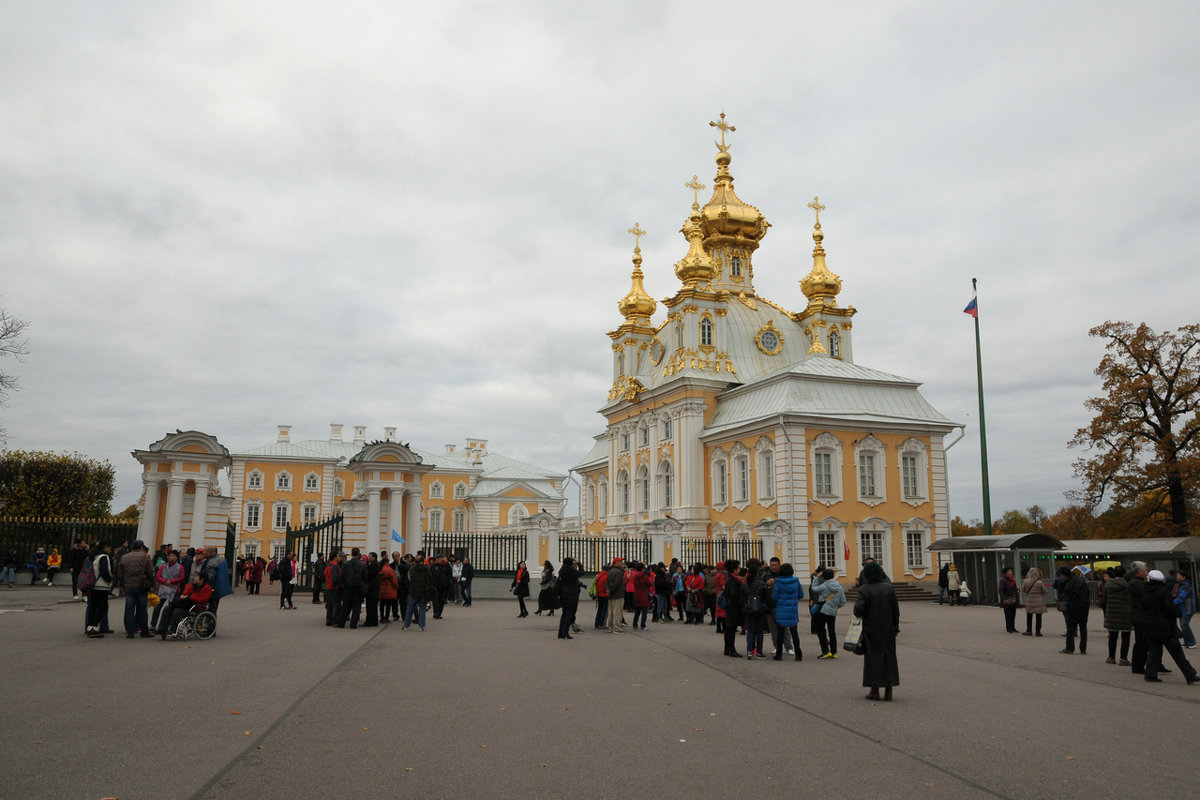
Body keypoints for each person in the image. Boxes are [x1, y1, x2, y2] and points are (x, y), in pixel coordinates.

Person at [854, 561, 900, 701]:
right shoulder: (889, 588)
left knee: (873, 659)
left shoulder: (865, 589)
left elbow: (858, 610)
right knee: (889, 657)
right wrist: (895, 627)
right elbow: (895, 610)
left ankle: (874, 690)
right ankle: (889, 689)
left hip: (871, 628)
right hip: (888, 628)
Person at [1142, 570, 1198, 684]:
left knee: (1154, 650)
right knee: (1177, 652)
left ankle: (1150, 674)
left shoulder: (1144, 590)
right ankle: (1190, 674)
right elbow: (1169, 607)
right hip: (1164, 626)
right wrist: (1177, 613)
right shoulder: (1163, 591)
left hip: (1150, 625)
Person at [157, 571, 214, 639]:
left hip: (195, 607)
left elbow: (202, 599)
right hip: (186, 604)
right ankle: (162, 629)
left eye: (197, 577)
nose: (195, 578)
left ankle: (173, 630)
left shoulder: (207, 588)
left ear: (202, 579)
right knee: (167, 608)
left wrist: (190, 597)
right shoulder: (193, 586)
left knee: (177, 612)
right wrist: (185, 595)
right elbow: (185, 593)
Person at [118, 540, 156, 638]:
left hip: (129, 586)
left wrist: (123, 585)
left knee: (129, 609)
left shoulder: (125, 557)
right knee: (142, 609)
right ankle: (144, 631)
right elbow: (150, 571)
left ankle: (130, 632)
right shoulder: (145, 556)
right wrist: (151, 584)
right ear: (141, 547)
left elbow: (120, 573)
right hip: (141, 586)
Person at [770, 563, 803, 661]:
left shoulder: (779, 582)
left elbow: (774, 597)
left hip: (781, 610)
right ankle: (798, 653)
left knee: (780, 633)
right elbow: (801, 594)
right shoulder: (796, 582)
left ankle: (779, 654)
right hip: (793, 610)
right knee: (794, 633)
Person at [1101, 565, 1132, 665]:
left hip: (1111, 613)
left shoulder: (1108, 584)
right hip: (1124, 613)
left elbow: (1104, 599)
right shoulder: (1127, 585)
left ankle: (1111, 657)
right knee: (1125, 637)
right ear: (1124, 574)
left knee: (1112, 637)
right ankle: (1123, 658)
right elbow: (1130, 599)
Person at [811, 568, 845, 659]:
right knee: (832, 631)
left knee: (821, 630)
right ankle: (834, 652)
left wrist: (816, 578)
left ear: (824, 576)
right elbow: (843, 601)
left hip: (823, 610)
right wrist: (834, 607)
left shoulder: (824, 585)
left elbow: (814, 589)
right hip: (833, 611)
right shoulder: (839, 586)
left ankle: (825, 651)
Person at [85, 541, 115, 637]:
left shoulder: (96, 556)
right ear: (105, 547)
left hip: (94, 585)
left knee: (93, 606)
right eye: (109, 548)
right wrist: (110, 579)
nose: (110, 550)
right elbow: (104, 571)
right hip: (101, 586)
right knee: (102, 607)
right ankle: (94, 626)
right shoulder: (104, 557)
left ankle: (90, 626)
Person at [151, 550, 184, 632]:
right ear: (168, 557)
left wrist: (172, 581)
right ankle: (153, 625)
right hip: (163, 590)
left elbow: (182, 577)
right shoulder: (163, 566)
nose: (172, 558)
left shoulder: (180, 567)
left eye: (174, 556)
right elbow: (158, 576)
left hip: (174, 590)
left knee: (170, 608)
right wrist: (165, 582)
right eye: (170, 556)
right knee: (157, 607)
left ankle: (168, 626)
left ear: (177, 557)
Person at [1060, 567, 1090, 655]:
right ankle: (1083, 649)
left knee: (1070, 628)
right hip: (1084, 606)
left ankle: (1070, 647)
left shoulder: (1069, 585)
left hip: (1073, 608)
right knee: (1083, 628)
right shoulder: (1080, 580)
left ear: (1065, 575)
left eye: (1062, 575)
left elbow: (1071, 599)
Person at [337, 548, 367, 629]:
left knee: (345, 606)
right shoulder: (362, 565)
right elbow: (365, 578)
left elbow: (342, 576)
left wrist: (342, 584)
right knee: (356, 607)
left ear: (351, 554)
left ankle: (341, 623)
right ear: (358, 554)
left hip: (348, 587)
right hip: (358, 588)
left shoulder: (346, 564)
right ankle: (353, 624)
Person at [722, 560, 745, 658]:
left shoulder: (731, 579)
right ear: (734, 569)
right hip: (733, 607)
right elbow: (734, 594)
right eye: (738, 568)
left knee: (729, 628)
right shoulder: (732, 580)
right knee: (731, 628)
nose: (740, 569)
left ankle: (727, 648)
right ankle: (731, 649)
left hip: (731, 606)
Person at [556, 557, 583, 639]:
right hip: (572, 594)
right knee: (569, 614)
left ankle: (560, 632)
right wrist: (578, 563)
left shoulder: (562, 571)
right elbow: (582, 572)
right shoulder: (572, 571)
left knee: (564, 613)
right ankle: (565, 632)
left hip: (563, 594)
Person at [404, 552, 432, 631]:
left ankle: (406, 625)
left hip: (413, 591)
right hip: (423, 591)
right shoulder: (426, 568)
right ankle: (421, 626)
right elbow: (429, 579)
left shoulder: (412, 568)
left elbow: (409, 578)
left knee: (410, 608)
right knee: (422, 608)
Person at [1021, 567, 1047, 636]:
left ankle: (1029, 630)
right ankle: (1038, 631)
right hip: (1039, 602)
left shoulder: (1026, 581)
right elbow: (1045, 591)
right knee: (1039, 617)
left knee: (1029, 616)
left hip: (1030, 601)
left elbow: (1023, 590)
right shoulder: (1039, 582)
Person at [1173, 569, 1196, 649]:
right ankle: (1187, 642)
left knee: (1184, 625)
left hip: (1187, 609)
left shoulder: (1186, 585)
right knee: (1183, 626)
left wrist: (1172, 603)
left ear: (1184, 577)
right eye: (1177, 575)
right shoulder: (1180, 584)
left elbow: (1182, 597)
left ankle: (1192, 642)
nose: (1177, 577)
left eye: (1179, 575)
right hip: (1182, 609)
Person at [606, 558, 626, 633]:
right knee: (618, 611)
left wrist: (609, 590)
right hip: (618, 594)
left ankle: (610, 626)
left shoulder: (611, 571)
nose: (622, 563)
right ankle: (616, 627)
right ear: (617, 563)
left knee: (611, 612)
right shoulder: (618, 572)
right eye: (621, 562)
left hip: (612, 595)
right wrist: (612, 590)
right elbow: (617, 583)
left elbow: (607, 583)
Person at [630, 562, 653, 630]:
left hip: (637, 594)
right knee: (644, 611)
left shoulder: (634, 576)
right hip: (644, 594)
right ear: (643, 568)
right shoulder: (645, 576)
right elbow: (650, 584)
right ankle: (643, 625)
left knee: (637, 611)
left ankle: (635, 624)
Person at [324, 553, 343, 626]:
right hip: (333, 587)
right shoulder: (335, 565)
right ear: (335, 557)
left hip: (328, 586)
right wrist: (338, 584)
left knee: (329, 605)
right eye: (338, 556)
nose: (339, 558)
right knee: (336, 604)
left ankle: (329, 620)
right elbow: (335, 578)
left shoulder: (328, 564)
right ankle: (335, 620)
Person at [998, 567, 1019, 633]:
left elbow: (1014, 589)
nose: (1011, 572)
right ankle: (1009, 628)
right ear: (1006, 573)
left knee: (1013, 614)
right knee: (1008, 614)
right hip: (1007, 599)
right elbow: (1000, 590)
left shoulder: (1012, 580)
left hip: (1013, 599)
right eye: (1009, 571)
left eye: (1011, 571)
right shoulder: (1003, 580)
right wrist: (1004, 598)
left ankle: (1013, 627)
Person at [378, 556, 399, 622]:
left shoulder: (379, 569)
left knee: (382, 604)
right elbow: (394, 580)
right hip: (390, 590)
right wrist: (396, 587)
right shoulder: (390, 570)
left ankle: (381, 617)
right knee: (388, 605)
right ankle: (386, 618)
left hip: (381, 590)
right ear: (387, 562)